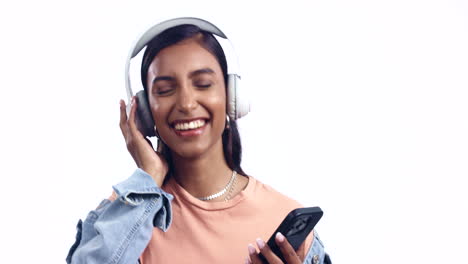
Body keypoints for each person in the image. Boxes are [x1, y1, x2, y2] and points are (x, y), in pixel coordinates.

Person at [66, 18, 329, 264]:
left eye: (203, 83)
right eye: (165, 90)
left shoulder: (283, 216)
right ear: (145, 112)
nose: (186, 104)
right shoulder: (130, 214)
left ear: (231, 96)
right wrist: (148, 178)